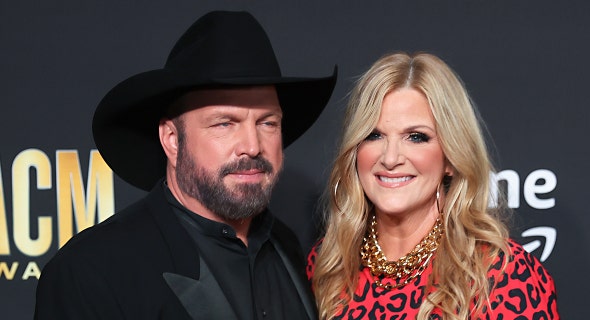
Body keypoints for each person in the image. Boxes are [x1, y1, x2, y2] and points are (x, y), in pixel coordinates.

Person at [34, 11, 337, 320]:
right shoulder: (90, 271)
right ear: (172, 140)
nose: (252, 145)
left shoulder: (288, 247)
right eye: (224, 124)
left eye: (267, 123)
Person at [307, 52, 558, 319]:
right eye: (374, 135)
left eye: (416, 137)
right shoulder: (327, 267)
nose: (390, 158)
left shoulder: (501, 276)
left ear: (451, 157)